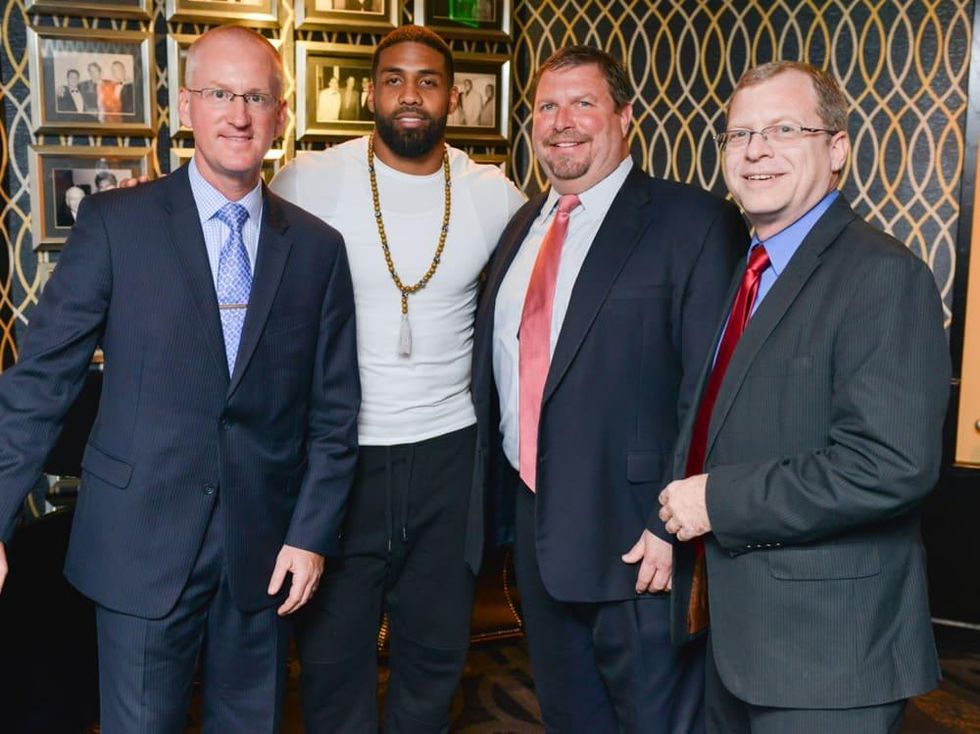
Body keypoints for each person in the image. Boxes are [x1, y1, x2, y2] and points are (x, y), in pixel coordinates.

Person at [0, 25, 360, 733]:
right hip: (139, 542)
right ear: (187, 105)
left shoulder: (318, 249)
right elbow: (42, 384)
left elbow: (334, 413)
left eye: (257, 96)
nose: (239, 114)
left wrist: (311, 534)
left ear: (281, 116)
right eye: (221, 93)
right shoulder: (114, 223)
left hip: (265, 551)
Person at [659, 61, 949, 733]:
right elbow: (716, 417)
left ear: (838, 148)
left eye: (784, 129)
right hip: (737, 638)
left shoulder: (882, 276)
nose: (756, 150)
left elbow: (891, 466)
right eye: (739, 134)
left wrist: (715, 501)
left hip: (828, 655)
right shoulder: (751, 268)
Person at [471, 46, 746, 732]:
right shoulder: (521, 227)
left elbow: (713, 391)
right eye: (547, 106)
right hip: (538, 536)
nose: (563, 122)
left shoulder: (693, 222)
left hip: (641, 542)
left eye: (584, 103)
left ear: (625, 116)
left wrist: (670, 525)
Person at [270, 24, 524, 733]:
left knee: (435, 654)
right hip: (342, 459)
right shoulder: (306, 181)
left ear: (453, 95)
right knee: (330, 658)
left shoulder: (491, 194)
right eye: (393, 79)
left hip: (449, 453)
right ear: (370, 92)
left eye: (428, 81)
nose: (410, 95)